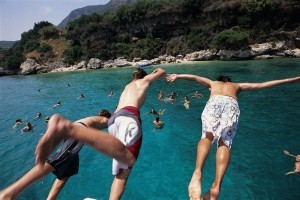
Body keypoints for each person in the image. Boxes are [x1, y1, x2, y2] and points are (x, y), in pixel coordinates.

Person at [166, 73, 300, 200]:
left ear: (219, 80)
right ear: (230, 81)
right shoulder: (237, 86)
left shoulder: (212, 83)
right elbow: (262, 85)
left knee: (207, 135)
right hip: (231, 105)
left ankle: (197, 171)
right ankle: (216, 185)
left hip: (214, 103)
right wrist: (291, 80)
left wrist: (177, 75)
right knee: (224, 142)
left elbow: (194, 77)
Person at [0, 109, 112, 200]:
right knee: (56, 160)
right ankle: (10, 193)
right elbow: (115, 123)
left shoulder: (94, 118)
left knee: (68, 169)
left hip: (74, 131)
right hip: (78, 132)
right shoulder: (105, 120)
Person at [107, 67, 165, 199]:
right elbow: (162, 72)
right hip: (128, 119)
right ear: (144, 76)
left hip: (114, 120)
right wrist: (153, 73)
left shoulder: (127, 86)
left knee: (120, 171)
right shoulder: (144, 81)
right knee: (124, 171)